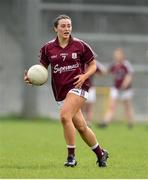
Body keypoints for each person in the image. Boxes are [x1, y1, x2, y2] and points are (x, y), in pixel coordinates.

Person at [24, 15, 109, 167]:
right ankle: (101, 154)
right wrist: (32, 78)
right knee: (82, 127)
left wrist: (84, 76)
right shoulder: (47, 48)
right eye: (63, 26)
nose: (67, 29)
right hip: (60, 92)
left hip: (78, 87)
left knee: (64, 117)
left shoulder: (80, 45)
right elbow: (41, 70)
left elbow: (93, 65)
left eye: (69, 25)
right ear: (55, 28)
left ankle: (71, 157)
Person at [99, 48, 134, 128]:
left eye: (118, 54)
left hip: (126, 90)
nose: (116, 56)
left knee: (127, 107)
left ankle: (130, 123)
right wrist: (97, 68)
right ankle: (105, 122)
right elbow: (106, 72)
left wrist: (124, 85)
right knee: (111, 106)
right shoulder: (114, 65)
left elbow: (129, 76)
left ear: (122, 55)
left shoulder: (126, 64)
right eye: (115, 54)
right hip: (116, 89)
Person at [82, 61, 107, 127]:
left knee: (89, 107)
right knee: (82, 107)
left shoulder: (92, 63)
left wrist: (95, 63)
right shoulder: (79, 61)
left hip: (90, 88)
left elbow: (103, 71)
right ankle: (83, 122)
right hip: (81, 88)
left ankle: (88, 123)